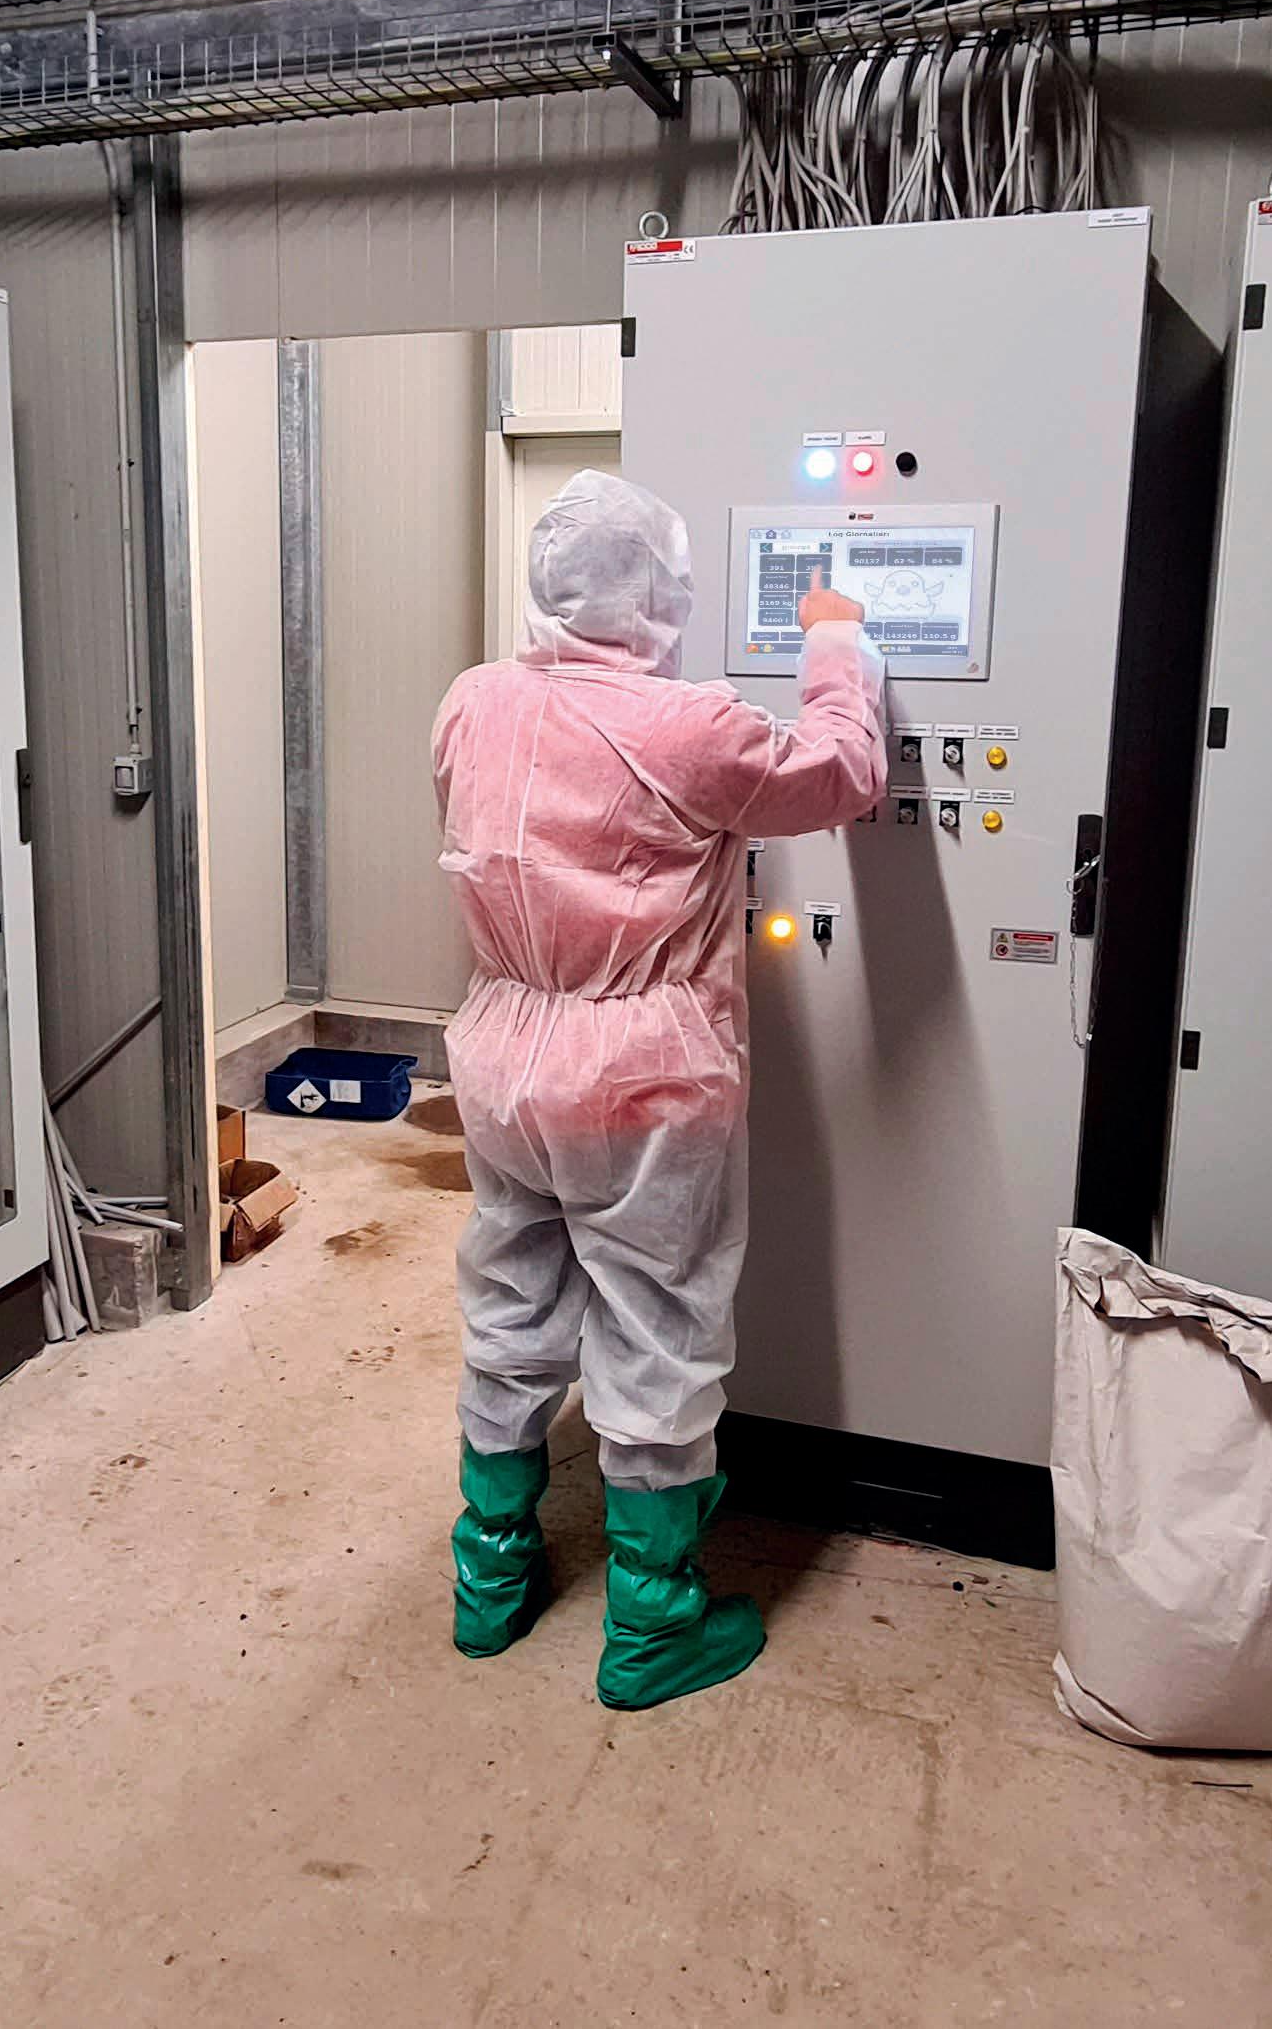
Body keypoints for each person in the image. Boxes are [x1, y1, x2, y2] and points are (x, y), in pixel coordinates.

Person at [429, 469, 886, 1709]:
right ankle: (653, 1626)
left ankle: (490, 1583)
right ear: (658, 594)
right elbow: (842, 772)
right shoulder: (692, 726)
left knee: (511, 1303)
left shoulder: (473, 702)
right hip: (640, 1078)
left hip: (504, 1058)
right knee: (656, 1332)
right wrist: (835, 640)